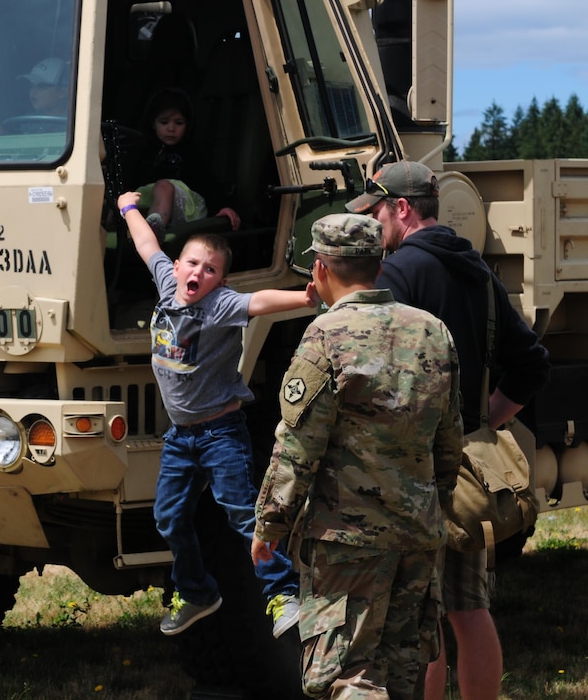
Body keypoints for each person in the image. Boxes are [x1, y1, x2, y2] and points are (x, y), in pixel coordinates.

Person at [346, 160, 550, 700]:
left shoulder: (395, 276)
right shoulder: (478, 270)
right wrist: (483, 422)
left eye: (377, 212)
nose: (374, 225)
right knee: (469, 607)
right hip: (468, 472)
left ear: (403, 209)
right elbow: (532, 363)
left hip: (412, 473)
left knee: (417, 617)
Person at [252, 213, 464, 698]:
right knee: (404, 674)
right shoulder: (432, 330)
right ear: (379, 264)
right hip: (418, 534)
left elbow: (297, 447)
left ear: (321, 268)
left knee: (349, 675)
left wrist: (270, 525)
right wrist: (433, 507)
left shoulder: (326, 335)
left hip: (347, 543)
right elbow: (449, 441)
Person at [115, 189, 316, 637]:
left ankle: (283, 594)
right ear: (177, 265)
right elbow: (147, 245)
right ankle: (197, 592)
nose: (197, 273)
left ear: (220, 281)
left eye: (210, 270)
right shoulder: (168, 285)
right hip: (180, 437)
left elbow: (259, 302)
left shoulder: (221, 305)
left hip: (221, 433)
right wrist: (129, 208)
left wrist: (304, 300)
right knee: (168, 517)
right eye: (191, 263)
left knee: (243, 513)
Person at [130, 87, 240, 240]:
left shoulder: (190, 153)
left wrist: (223, 206)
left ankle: (149, 237)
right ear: (153, 123)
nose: (171, 128)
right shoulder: (144, 151)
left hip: (187, 210)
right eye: (164, 122)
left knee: (163, 186)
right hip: (151, 203)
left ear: (188, 125)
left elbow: (207, 183)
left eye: (179, 123)